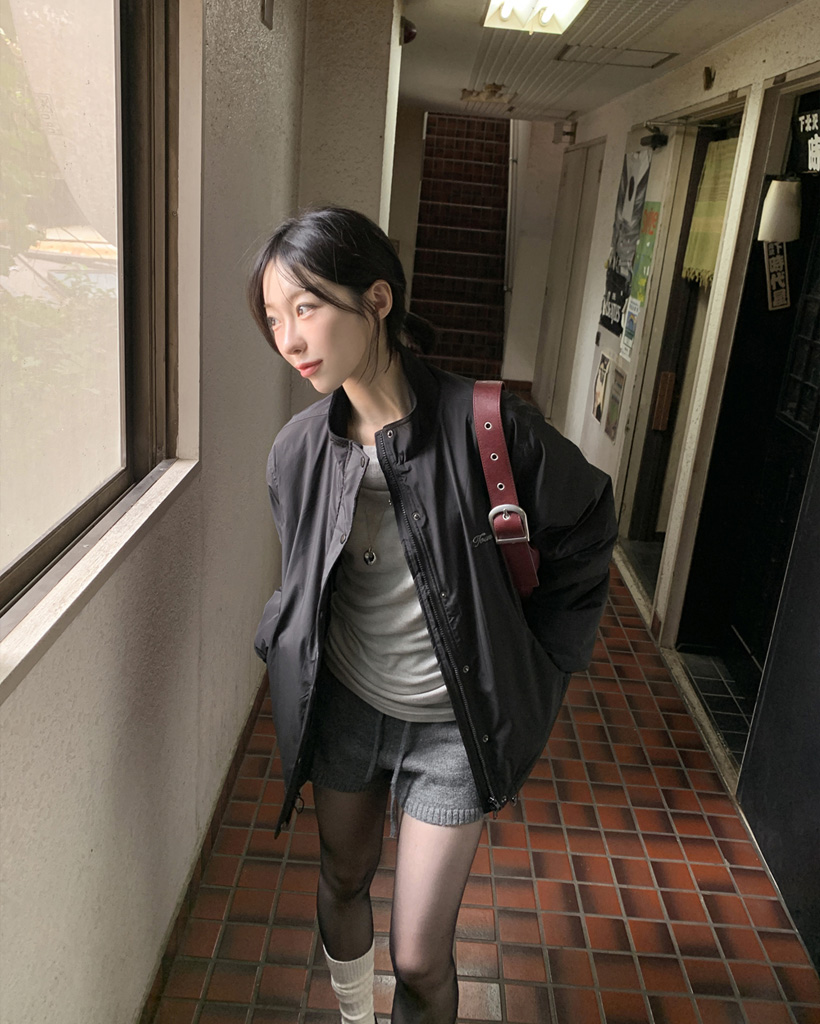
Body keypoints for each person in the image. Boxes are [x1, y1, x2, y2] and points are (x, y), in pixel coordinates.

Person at [249, 206, 617, 1024]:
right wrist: (282, 635)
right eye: (273, 318)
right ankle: (354, 1016)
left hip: (453, 727)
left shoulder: (489, 428)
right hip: (348, 705)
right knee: (341, 877)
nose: (289, 338)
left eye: (306, 307)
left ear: (377, 299)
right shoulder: (297, 451)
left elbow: (590, 520)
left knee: (419, 955)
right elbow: (302, 575)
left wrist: (547, 656)